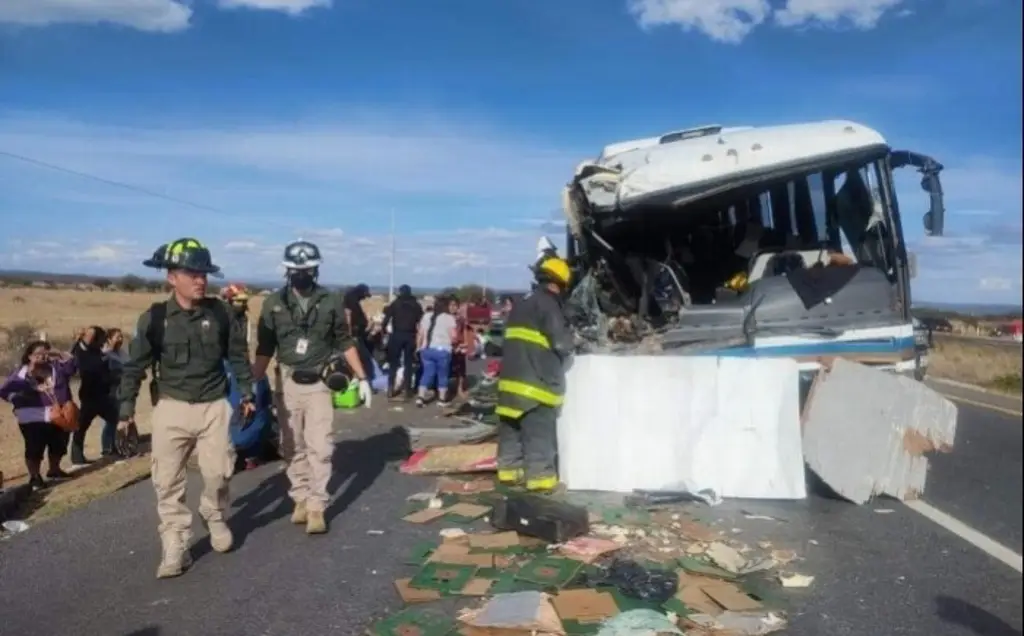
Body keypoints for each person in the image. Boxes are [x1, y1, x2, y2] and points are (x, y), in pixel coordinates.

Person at [117, 237, 255, 579]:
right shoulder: (156, 318)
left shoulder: (221, 314)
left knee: (219, 472)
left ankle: (214, 513)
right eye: (191, 272)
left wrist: (248, 393)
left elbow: (237, 357)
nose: (200, 279)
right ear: (171, 277)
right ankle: (175, 542)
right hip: (172, 407)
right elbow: (135, 366)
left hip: (213, 406)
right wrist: (125, 412)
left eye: (204, 273)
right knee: (167, 481)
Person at [252, 240, 371, 536]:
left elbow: (344, 341)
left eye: (307, 269)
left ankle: (317, 505)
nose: (302, 274)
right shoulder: (273, 303)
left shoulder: (330, 301)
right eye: (296, 269)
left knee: (321, 446)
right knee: (293, 446)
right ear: (287, 271)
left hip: (319, 382)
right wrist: (252, 382)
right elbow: (265, 348)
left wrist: (363, 377)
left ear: (316, 270)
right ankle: (301, 497)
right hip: (287, 381)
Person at [495, 256, 574, 493]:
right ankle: (541, 481)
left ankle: (509, 474)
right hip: (535, 386)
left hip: (509, 385)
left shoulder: (522, 302)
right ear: (557, 284)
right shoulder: (548, 304)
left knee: (511, 433)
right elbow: (562, 343)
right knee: (539, 435)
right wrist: (575, 340)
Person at [0, 340, 77, 488]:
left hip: (58, 412)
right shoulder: (22, 373)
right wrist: (18, 398)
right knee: (35, 445)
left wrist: (59, 353)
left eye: (45, 353)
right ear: (29, 356)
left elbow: (73, 365)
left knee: (59, 441)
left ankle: (54, 469)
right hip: (31, 415)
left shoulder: (57, 368)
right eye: (38, 354)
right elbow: (4, 391)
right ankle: (35, 476)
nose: (42, 356)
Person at [70, 325, 117, 465]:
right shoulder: (82, 351)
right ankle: (77, 456)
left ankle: (110, 448)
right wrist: (89, 333)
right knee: (82, 425)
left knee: (115, 418)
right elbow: (88, 362)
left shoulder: (98, 351)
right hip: (90, 394)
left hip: (102, 393)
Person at [381, 284, 423, 401]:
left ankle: (390, 387)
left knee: (393, 363)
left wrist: (384, 332)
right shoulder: (415, 305)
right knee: (408, 363)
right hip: (410, 335)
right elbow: (420, 321)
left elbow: (386, 319)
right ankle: (407, 390)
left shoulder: (395, 304)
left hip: (396, 334)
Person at [415, 297, 458, 408]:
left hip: (426, 350)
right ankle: (441, 399)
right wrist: (456, 344)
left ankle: (420, 397)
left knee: (427, 373)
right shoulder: (449, 318)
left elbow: (420, 334)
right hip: (442, 350)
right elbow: (453, 337)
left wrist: (418, 347)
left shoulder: (426, 316)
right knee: (442, 375)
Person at [102, 328, 128, 456]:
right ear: (109, 339)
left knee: (122, 417)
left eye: (121, 337)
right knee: (112, 419)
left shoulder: (122, 353)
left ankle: (118, 444)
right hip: (111, 391)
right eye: (117, 337)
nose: (120, 340)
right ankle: (107, 447)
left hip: (123, 389)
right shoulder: (106, 354)